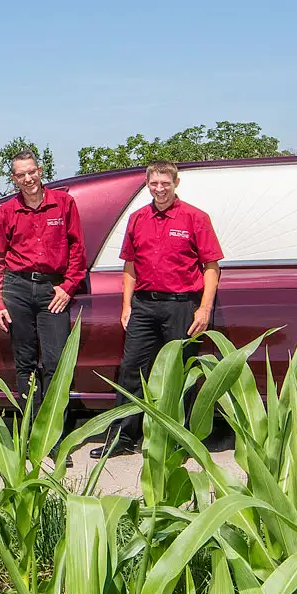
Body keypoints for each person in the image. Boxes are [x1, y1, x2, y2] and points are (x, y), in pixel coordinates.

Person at [94, 160, 222, 456]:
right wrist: (126, 305)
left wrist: (204, 309)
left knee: (178, 373)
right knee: (131, 371)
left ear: (176, 183)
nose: (159, 189)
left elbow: (211, 266)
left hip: (182, 307)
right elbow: (129, 266)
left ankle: (176, 440)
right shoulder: (137, 218)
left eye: (165, 183)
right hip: (144, 306)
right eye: (154, 184)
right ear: (147, 184)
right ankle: (122, 438)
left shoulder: (195, 217)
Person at [0, 149, 87, 412]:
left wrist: (68, 286)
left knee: (56, 363)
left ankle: (53, 435)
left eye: (31, 172)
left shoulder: (64, 203)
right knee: (25, 363)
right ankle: (30, 432)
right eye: (21, 175)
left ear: (40, 171)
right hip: (17, 289)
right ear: (14, 178)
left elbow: (77, 249)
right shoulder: (7, 211)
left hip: (52, 290)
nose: (28, 178)